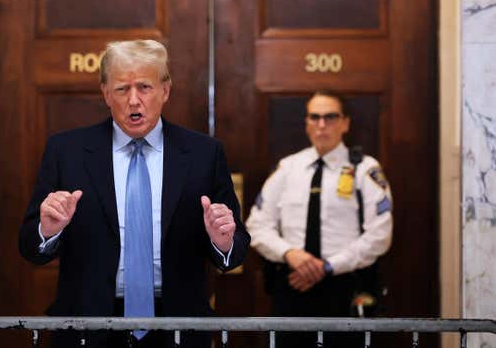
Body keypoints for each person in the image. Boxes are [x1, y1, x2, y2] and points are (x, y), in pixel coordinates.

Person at [19, 39, 250, 348]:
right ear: (105, 93)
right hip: (89, 327)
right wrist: (47, 231)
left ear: (165, 91)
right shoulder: (67, 152)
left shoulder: (203, 154)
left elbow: (235, 252)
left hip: (177, 328)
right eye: (121, 89)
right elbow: (29, 247)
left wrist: (222, 242)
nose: (133, 100)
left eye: (144, 87)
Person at [246, 90, 393, 348]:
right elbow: (257, 225)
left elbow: (379, 235)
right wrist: (290, 253)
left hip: (344, 288)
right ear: (306, 123)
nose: (321, 125)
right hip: (292, 286)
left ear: (345, 123)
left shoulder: (365, 169)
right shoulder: (287, 168)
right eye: (314, 117)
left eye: (330, 117)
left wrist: (327, 266)